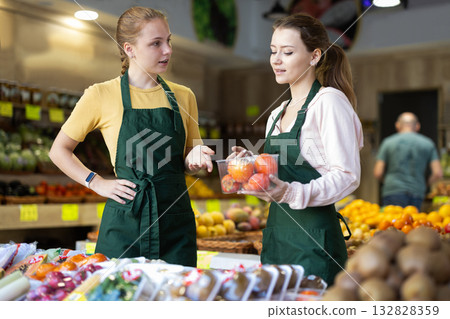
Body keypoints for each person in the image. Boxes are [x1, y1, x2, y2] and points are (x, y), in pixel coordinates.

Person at [49, 7, 214, 267]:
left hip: (175, 222)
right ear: (129, 48)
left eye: (168, 41)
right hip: (126, 223)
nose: (167, 50)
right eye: (156, 43)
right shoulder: (100, 95)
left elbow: (192, 161)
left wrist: (196, 158)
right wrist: (97, 182)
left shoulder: (184, 96)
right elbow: (58, 151)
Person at [230, 13, 363, 285]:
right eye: (273, 51)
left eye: (287, 52)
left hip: (315, 240)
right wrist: (251, 169)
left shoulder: (328, 102)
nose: (276, 60)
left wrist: (292, 191)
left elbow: (348, 175)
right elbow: (279, 180)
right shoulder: (277, 113)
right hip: (278, 238)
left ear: (315, 56)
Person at [373, 112, 443, 210]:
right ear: (417, 126)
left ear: (397, 125)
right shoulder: (428, 144)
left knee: (393, 223)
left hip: (392, 191)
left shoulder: (388, 143)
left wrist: (390, 182)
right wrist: (423, 183)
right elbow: (438, 173)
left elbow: (378, 172)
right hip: (417, 191)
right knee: (413, 223)